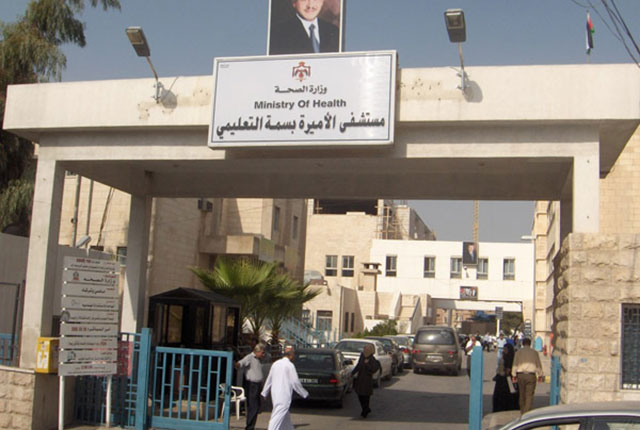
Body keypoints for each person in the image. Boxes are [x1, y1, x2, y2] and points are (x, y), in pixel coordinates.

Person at [261, 346, 309, 430]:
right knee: (277, 417)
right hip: (284, 394)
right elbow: (295, 382)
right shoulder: (290, 366)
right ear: (291, 355)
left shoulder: (275, 364)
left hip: (275, 393)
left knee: (284, 416)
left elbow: (269, 379)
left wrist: (264, 392)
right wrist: (304, 393)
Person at [269, 0, 340, 55]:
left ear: (322, 2)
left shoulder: (334, 31)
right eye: (304, 0)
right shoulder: (278, 33)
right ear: (294, 2)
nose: (310, 5)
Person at [235, 343, 266, 430]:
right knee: (253, 406)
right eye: (262, 353)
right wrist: (237, 364)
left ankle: (251, 426)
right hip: (252, 385)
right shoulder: (250, 357)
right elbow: (241, 362)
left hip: (258, 385)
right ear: (257, 351)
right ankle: (249, 427)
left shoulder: (258, 359)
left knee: (257, 407)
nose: (263, 355)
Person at [512, 338, 543, 414]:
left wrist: (514, 375)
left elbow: (515, 364)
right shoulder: (534, 352)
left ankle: (522, 411)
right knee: (529, 395)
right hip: (531, 375)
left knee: (522, 394)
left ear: (522, 344)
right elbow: (538, 364)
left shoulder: (518, 352)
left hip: (521, 375)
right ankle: (527, 412)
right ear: (530, 344)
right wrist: (540, 374)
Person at [351, 343, 381, 419]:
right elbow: (358, 366)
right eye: (364, 349)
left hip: (367, 381)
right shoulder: (362, 357)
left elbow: (373, 369)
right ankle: (366, 409)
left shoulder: (372, 359)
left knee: (366, 397)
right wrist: (352, 373)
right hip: (360, 379)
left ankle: (365, 411)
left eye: (366, 349)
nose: (365, 350)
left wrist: (367, 364)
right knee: (359, 395)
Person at [492, 343, 517, 412]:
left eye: (506, 349)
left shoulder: (510, 358)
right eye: (504, 349)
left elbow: (509, 369)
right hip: (501, 378)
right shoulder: (503, 356)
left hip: (507, 379)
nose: (504, 351)